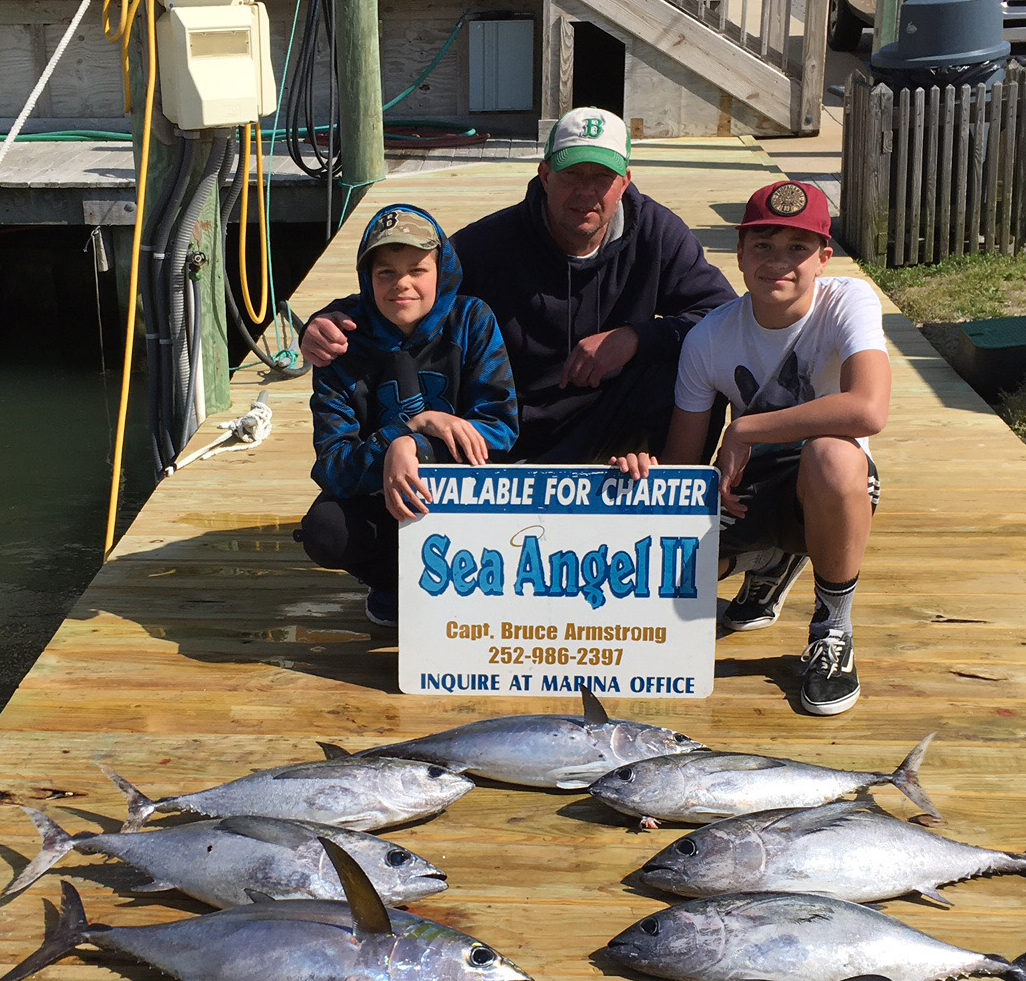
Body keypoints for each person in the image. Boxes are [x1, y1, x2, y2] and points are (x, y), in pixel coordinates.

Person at [300, 108, 734, 461]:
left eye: (600, 178)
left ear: (625, 182)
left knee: (701, 361)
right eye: (570, 175)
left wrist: (636, 336)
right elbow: (413, 285)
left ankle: (676, 508)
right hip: (514, 427)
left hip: (609, 417)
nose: (585, 192)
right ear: (544, 175)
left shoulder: (658, 232)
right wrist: (324, 321)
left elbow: (724, 317)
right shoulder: (492, 242)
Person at [614, 179, 890, 716]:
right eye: (762, 245)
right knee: (678, 576)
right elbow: (683, 463)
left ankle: (833, 627)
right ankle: (770, 560)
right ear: (739, 253)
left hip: (831, 477)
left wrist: (743, 430)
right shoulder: (709, 337)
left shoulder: (849, 300)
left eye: (797, 248)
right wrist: (650, 469)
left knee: (831, 456)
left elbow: (868, 410)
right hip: (751, 483)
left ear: (823, 258)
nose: (778, 262)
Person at [299, 203, 518, 628]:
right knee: (325, 528)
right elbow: (331, 465)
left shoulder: (473, 320)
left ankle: (478, 583)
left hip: (465, 501)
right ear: (367, 279)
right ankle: (395, 585)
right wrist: (403, 433)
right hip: (383, 503)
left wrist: (414, 446)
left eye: (417, 269)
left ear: (443, 270)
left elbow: (501, 429)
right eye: (385, 272)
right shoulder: (340, 345)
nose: (402, 284)